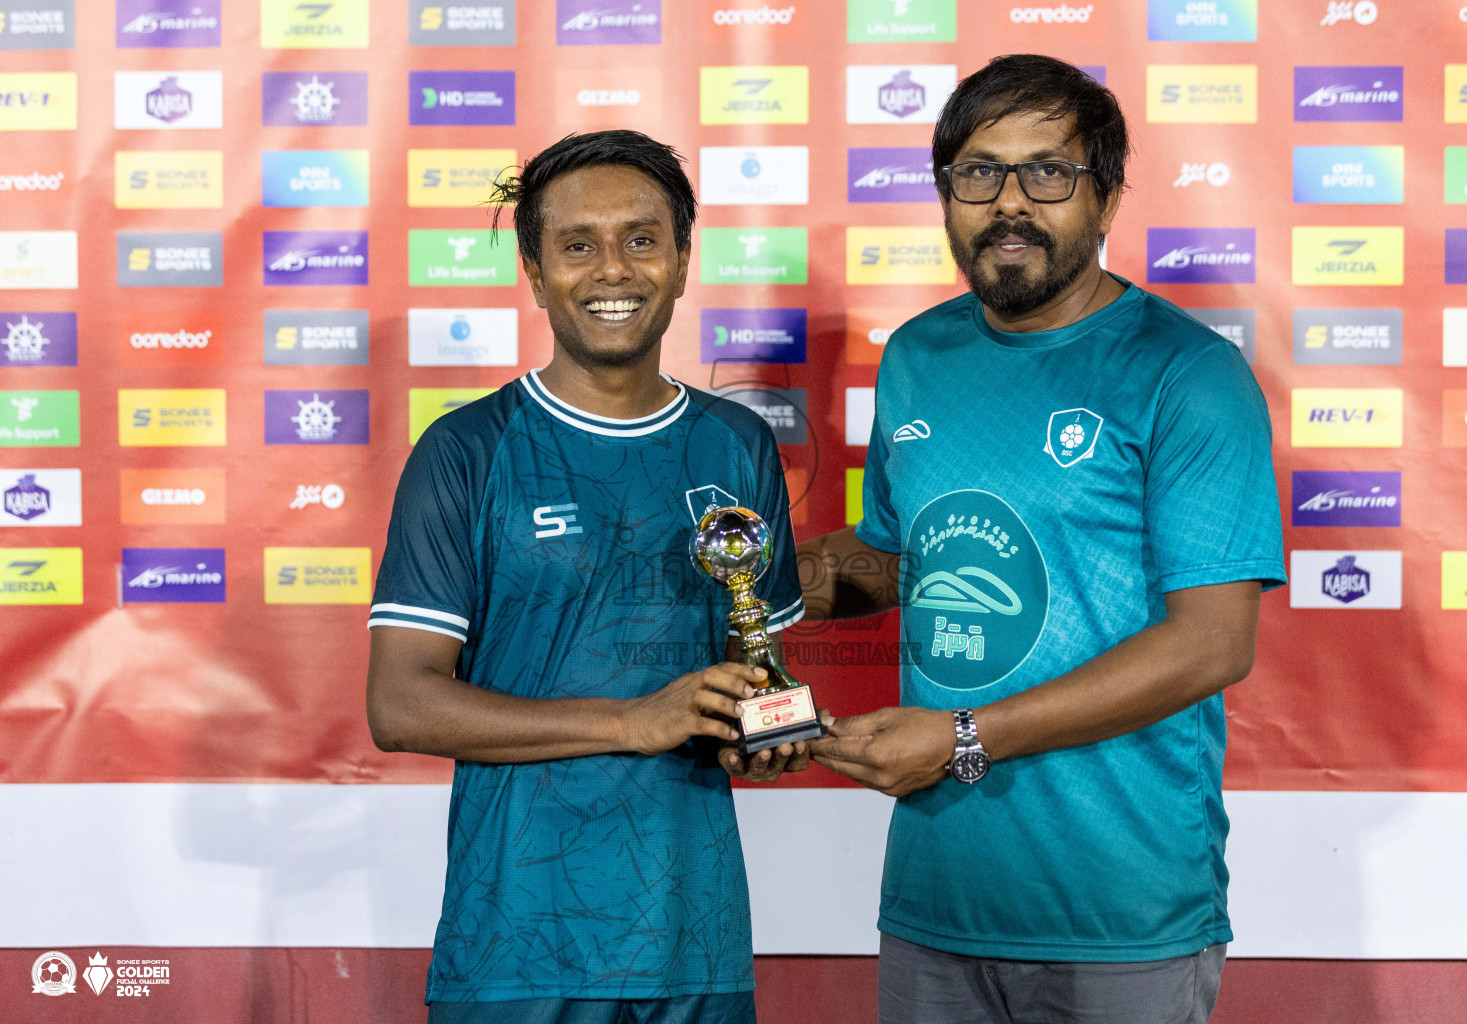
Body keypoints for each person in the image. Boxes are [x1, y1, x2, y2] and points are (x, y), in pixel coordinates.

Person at [801, 55, 1287, 1024]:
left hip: (1122, 916)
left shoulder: (1186, 373)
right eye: (979, 173)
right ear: (947, 195)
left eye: (1048, 173)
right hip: (937, 904)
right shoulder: (917, 355)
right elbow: (904, 560)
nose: (1009, 203)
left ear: (1104, 196)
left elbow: (1213, 641)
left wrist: (962, 738)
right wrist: (761, 566)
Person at [366, 129, 809, 1024]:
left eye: (642, 239)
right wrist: (632, 720)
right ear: (534, 271)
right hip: (518, 947)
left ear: (684, 261)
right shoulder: (467, 450)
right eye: (578, 244)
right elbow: (401, 704)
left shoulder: (738, 445)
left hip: (695, 936)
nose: (614, 270)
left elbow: (749, 666)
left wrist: (768, 728)